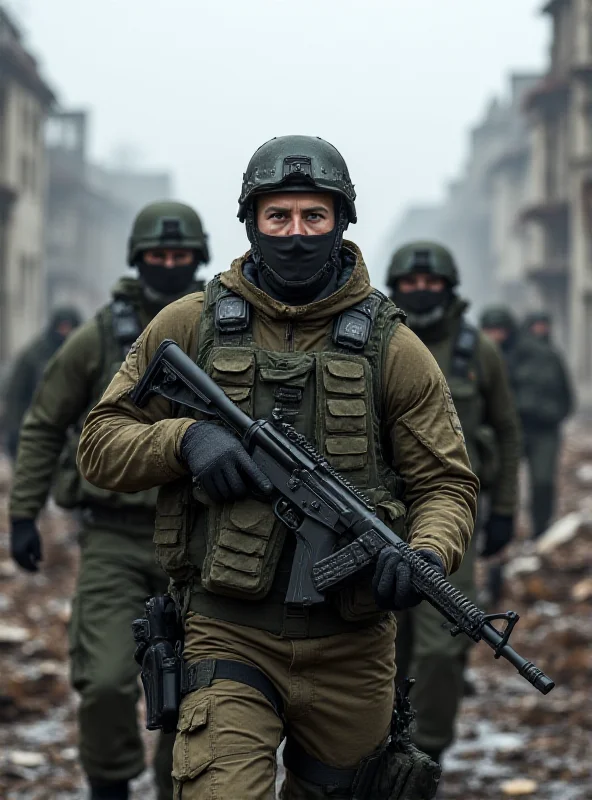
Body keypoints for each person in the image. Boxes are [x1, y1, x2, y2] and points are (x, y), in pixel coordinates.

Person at [77, 135, 478, 800]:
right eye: (279, 217)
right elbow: (100, 440)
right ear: (252, 222)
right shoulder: (189, 324)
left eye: (314, 217)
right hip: (225, 628)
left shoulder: (394, 348)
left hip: (353, 647)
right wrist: (184, 439)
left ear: (342, 222)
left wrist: (428, 552)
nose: (296, 235)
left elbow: (445, 482)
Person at [9, 200, 210, 800]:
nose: (168, 265)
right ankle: (110, 783)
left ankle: (177, 784)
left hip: (205, 539)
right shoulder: (102, 335)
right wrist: (24, 512)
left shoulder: (219, 327)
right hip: (115, 536)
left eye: (179, 256)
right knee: (102, 682)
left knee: (197, 692)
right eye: (157, 256)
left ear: (196, 260)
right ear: (137, 259)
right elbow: (45, 420)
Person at [385, 242, 521, 765]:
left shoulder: (475, 349)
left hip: (451, 519)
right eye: (412, 284)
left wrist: (505, 508)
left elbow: (506, 433)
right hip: (379, 518)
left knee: (443, 645)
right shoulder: (376, 342)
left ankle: (426, 756)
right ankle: (377, 751)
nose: (422, 292)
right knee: (382, 646)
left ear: (451, 287)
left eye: (433, 283)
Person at [481, 306, 574, 538]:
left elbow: (564, 394)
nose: (496, 336)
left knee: (543, 482)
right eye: (491, 330)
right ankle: (498, 531)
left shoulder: (544, 355)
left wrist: (551, 414)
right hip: (507, 429)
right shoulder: (485, 356)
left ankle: (540, 530)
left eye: (500, 330)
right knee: (498, 481)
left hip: (543, 430)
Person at [3, 306, 82, 459]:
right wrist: (14, 431)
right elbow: (15, 395)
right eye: (62, 328)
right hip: (37, 428)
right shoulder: (33, 355)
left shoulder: (84, 354)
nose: (65, 333)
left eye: (69, 328)